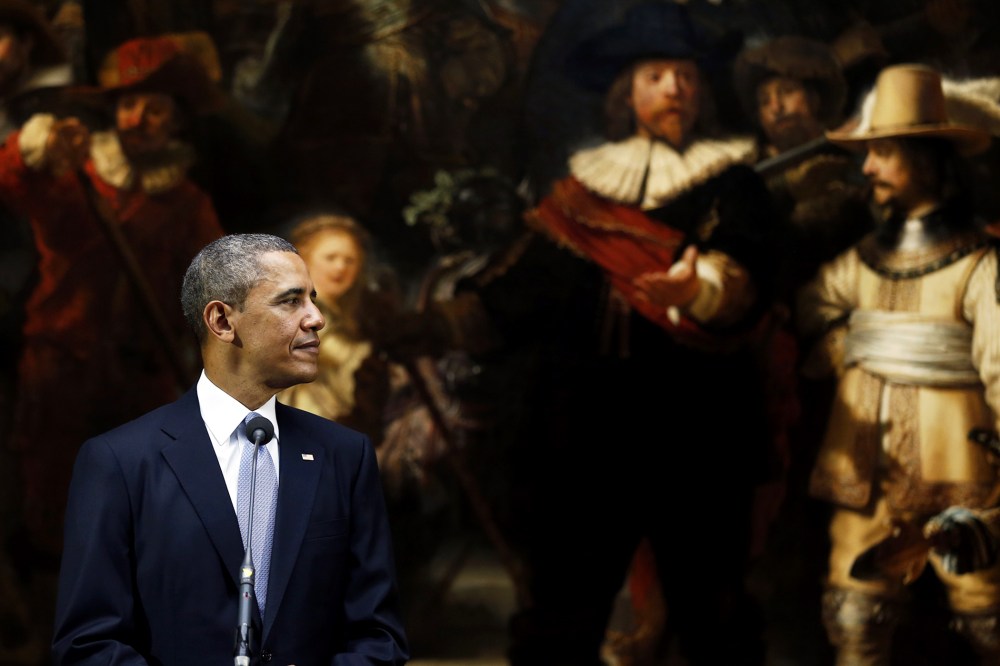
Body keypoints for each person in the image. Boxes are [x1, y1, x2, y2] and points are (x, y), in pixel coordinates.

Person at [375, 3, 780, 664]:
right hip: (587, 431)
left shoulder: (730, 185)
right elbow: (516, 297)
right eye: (656, 76)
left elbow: (751, 276)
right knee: (563, 607)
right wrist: (426, 327)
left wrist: (698, 289)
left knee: (712, 608)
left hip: (697, 425)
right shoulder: (582, 194)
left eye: (686, 76)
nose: (675, 89)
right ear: (626, 92)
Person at [52, 232, 410, 665]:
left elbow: (379, 637)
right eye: (291, 301)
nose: (316, 318)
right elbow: (88, 643)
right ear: (222, 321)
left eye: (312, 300)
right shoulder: (120, 462)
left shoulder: (345, 456)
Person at [0, 31, 227, 655]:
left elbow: (215, 290)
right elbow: (11, 181)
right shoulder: (74, 176)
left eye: (155, 107)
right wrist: (35, 148)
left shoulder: (188, 203)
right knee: (52, 501)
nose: (138, 118)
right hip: (61, 367)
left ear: (176, 121)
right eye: (128, 104)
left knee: (140, 507)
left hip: (141, 375)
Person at [796, 63, 1000, 665]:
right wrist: (851, 347)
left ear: (927, 160)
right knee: (854, 615)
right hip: (862, 469)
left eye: (882, 152)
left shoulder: (979, 265)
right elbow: (813, 307)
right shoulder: (861, 261)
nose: (867, 168)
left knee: (988, 616)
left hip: (962, 466)